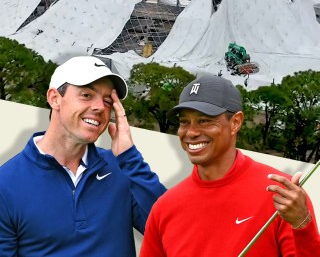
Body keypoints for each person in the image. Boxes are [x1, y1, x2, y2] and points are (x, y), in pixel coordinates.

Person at [0, 56, 166, 257]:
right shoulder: (6, 184)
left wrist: (129, 157)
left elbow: (173, 232)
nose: (100, 107)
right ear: (54, 98)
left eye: (107, 101)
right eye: (87, 95)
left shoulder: (123, 169)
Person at [140, 74, 320, 257]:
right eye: (184, 122)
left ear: (235, 122)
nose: (191, 132)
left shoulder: (284, 196)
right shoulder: (164, 208)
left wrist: (302, 224)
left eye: (204, 121)